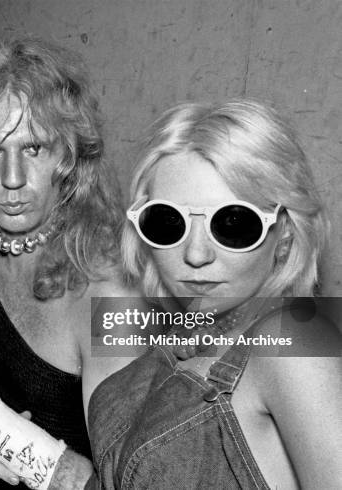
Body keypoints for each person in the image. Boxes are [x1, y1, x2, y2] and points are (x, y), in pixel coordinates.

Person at [0, 38, 141, 487]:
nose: (12, 179)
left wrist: (26, 454)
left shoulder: (112, 292)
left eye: (34, 148)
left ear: (69, 158)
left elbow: (127, 480)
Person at [87, 99, 342, 488]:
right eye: (168, 222)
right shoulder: (181, 337)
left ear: (286, 232)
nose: (195, 254)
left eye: (233, 223)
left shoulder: (291, 342)